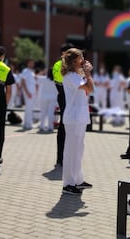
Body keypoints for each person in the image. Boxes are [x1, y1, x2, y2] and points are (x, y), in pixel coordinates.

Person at [61, 48, 94, 194]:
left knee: (79, 150)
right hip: (74, 118)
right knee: (71, 151)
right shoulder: (70, 76)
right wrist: (88, 73)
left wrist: (86, 74)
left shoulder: (76, 75)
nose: (84, 61)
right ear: (75, 61)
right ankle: (68, 183)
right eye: (81, 58)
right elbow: (90, 88)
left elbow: (88, 89)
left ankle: (78, 180)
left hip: (79, 116)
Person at [52, 43, 75, 167]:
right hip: (70, 97)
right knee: (69, 128)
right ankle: (66, 158)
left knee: (62, 127)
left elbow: (55, 81)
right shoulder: (70, 66)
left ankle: (60, 158)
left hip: (61, 96)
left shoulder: (56, 65)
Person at [36, 69, 58, 133]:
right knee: (50, 113)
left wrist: (42, 72)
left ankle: (41, 126)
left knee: (43, 113)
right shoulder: (56, 80)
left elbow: (35, 77)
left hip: (44, 98)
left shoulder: (43, 78)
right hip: (53, 98)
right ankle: (50, 127)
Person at [20, 58, 36, 130]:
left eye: (33, 63)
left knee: (30, 108)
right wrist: (26, 92)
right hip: (28, 92)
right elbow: (23, 82)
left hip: (32, 92)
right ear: (28, 63)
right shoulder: (25, 71)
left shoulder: (32, 71)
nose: (32, 64)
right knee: (28, 108)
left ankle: (27, 123)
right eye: (31, 63)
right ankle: (28, 124)